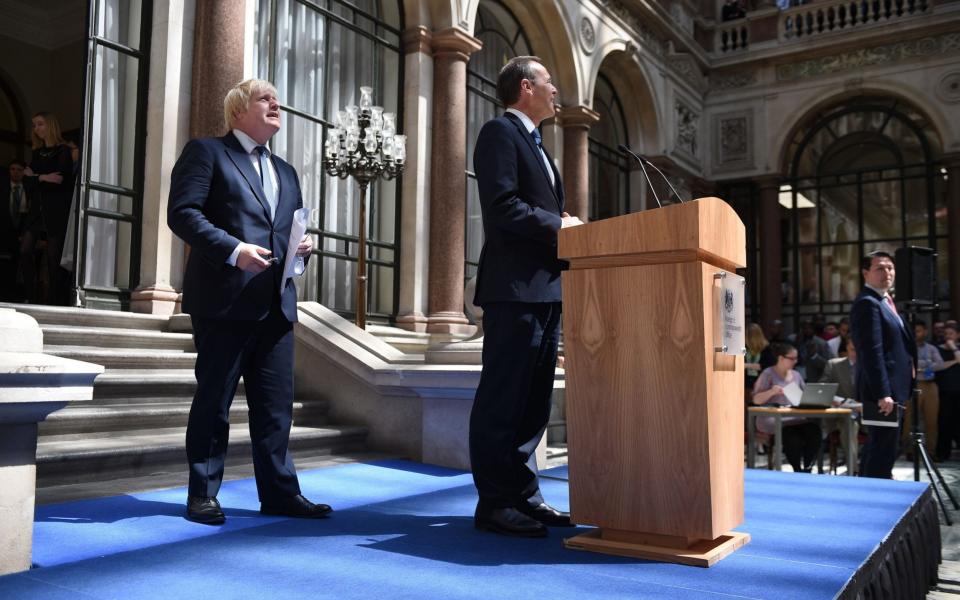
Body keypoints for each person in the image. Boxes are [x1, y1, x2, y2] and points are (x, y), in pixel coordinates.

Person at [167, 79, 327, 525]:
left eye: (278, 97)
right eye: (265, 98)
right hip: (222, 301)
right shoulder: (206, 152)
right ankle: (202, 493)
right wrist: (234, 251)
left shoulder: (288, 172)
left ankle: (279, 492)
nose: (277, 103)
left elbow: (285, 230)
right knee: (214, 402)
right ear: (238, 110)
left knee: (276, 407)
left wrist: (301, 251)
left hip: (276, 303)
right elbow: (182, 213)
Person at [469, 56, 583, 538]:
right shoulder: (500, 134)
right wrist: (561, 225)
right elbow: (502, 208)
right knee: (504, 396)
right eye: (549, 82)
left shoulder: (540, 146)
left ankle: (524, 494)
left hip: (545, 290)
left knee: (534, 400)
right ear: (524, 88)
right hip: (513, 290)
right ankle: (494, 502)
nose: (555, 91)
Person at [850, 250, 917, 478]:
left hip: (894, 388)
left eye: (890, 267)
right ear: (865, 273)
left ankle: (872, 487)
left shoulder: (887, 301)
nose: (887, 272)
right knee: (882, 448)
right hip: (882, 392)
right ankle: (873, 494)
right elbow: (871, 352)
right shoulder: (868, 303)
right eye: (880, 268)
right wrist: (883, 393)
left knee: (884, 446)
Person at [25, 112, 73, 305]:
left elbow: (61, 179)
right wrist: (43, 177)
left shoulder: (63, 151)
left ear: (50, 125)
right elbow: (27, 181)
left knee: (54, 259)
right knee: (25, 250)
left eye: (40, 124)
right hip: (36, 210)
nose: (36, 128)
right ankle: (30, 295)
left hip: (55, 210)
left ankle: (55, 301)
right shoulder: (36, 153)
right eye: (34, 125)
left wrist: (35, 176)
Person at [752, 342, 822, 473]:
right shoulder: (768, 373)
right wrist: (771, 392)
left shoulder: (796, 375)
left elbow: (806, 395)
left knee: (814, 431)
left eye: (796, 358)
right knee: (791, 436)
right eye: (792, 358)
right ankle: (797, 469)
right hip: (774, 418)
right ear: (781, 358)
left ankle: (807, 467)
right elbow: (756, 399)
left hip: (795, 417)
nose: (795, 361)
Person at [903, 319, 943, 458]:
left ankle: (931, 451)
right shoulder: (906, 347)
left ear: (925, 332)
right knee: (909, 420)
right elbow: (906, 364)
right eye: (914, 332)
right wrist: (927, 364)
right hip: (912, 385)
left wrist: (921, 365)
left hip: (930, 385)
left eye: (919, 331)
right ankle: (908, 450)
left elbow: (940, 365)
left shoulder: (932, 348)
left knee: (931, 420)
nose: (916, 334)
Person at [1, 160, 37, 301]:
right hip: (5, 234)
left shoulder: (29, 189)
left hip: (23, 234)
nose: (15, 172)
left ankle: (24, 296)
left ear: (24, 172)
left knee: (21, 267)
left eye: (19, 169)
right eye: (12, 169)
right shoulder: (3, 188)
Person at [935, 324, 960, 461]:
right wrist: (954, 361)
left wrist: (954, 349)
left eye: (951, 333)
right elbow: (937, 367)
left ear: (957, 335)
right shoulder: (938, 349)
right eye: (946, 334)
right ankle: (942, 453)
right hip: (944, 391)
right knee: (944, 423)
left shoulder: (957, 349)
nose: (948, 336)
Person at [744, 323, 775, 401]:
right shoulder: (745, 348)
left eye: (746, 336)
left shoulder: (766, 349)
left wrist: (747, 365)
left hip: (762, 384)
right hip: (747, 384)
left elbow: (768, 366)